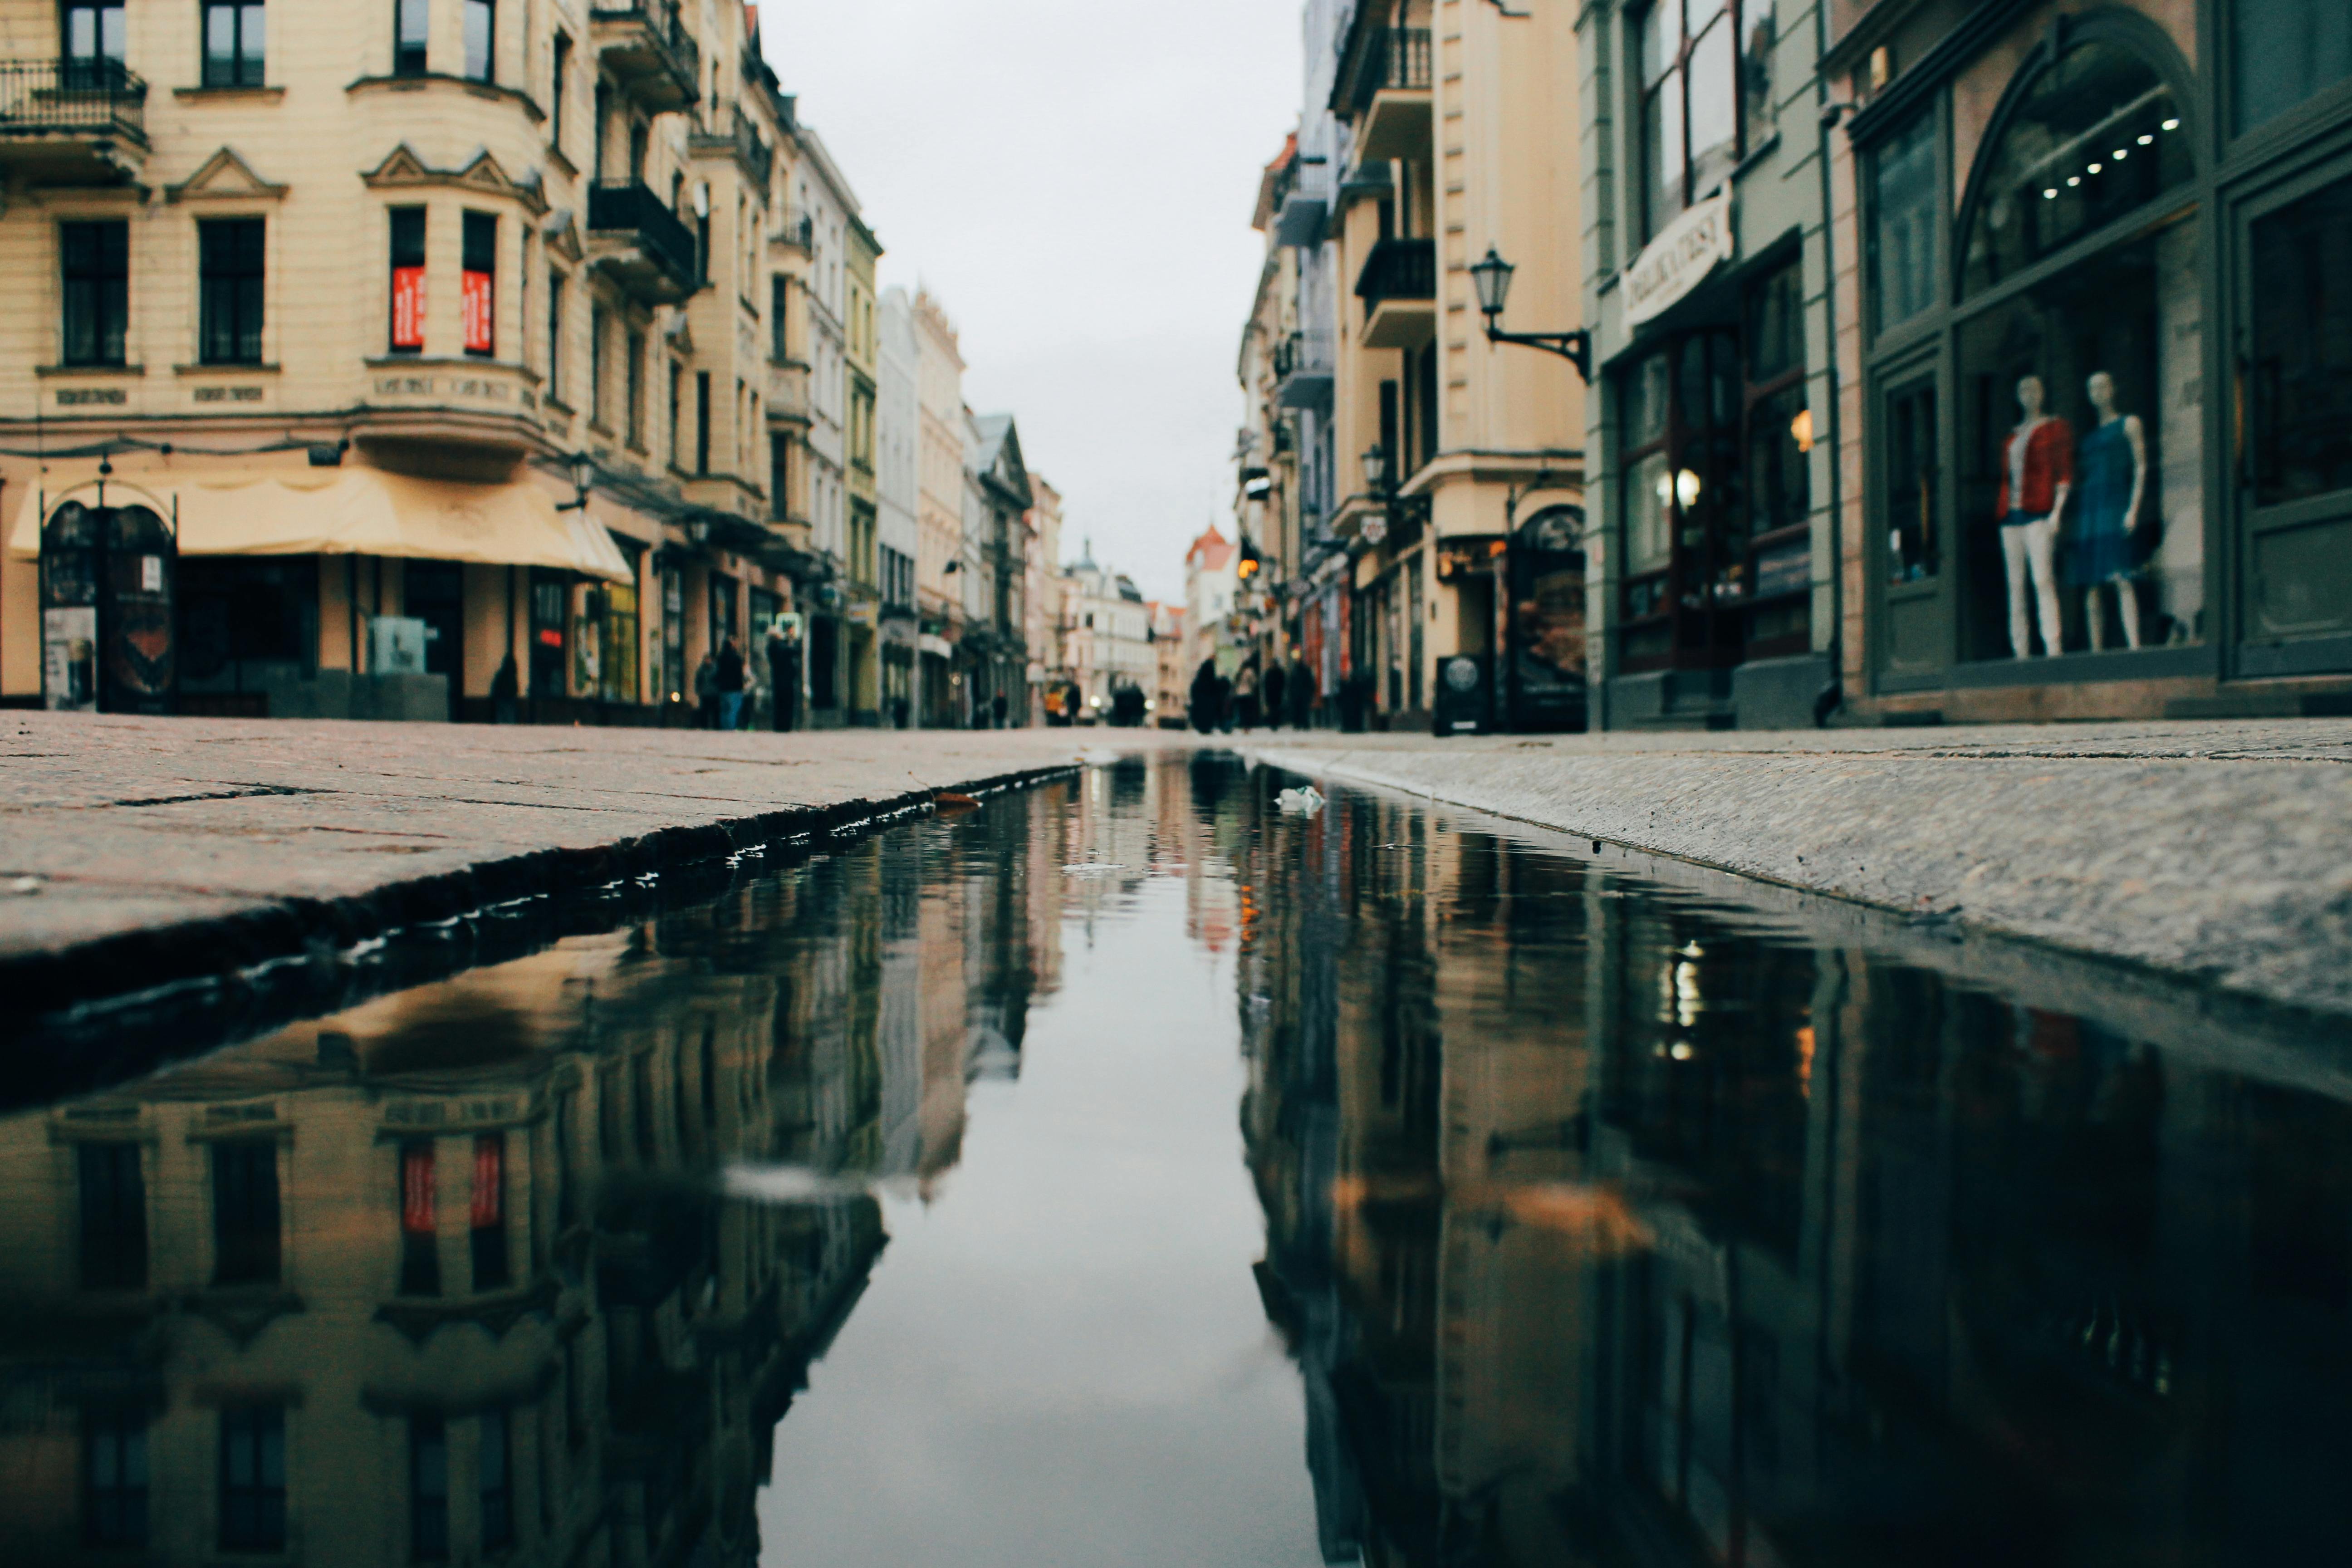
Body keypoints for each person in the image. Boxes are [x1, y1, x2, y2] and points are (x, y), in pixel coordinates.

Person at [766, 624, 797, 732]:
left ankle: (780, 725)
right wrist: (791, 638)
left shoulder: (772, 647)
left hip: (778, 679)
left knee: (780, 704)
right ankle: (785, 726)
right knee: (786, 704)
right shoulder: (777, 647)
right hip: (785, 680)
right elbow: (792, 651)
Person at [715, 636, 747, 731]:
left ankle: (725, 728)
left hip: (723, 688)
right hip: (734, 688)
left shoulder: (721, 658)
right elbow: (738, 674)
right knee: (733, 710)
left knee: (725, 710)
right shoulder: (736, 658)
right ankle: (730, 728)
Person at [1190, 659, 1221, 735]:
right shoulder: (1212, 682)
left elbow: (1193, 693)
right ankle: (1207, 728)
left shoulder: (1198, 681)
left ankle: (1203, 728)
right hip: (1209, 708)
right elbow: (1217, 693)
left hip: (1200, 707)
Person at [693, 651, 720, 730]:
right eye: (706, 659)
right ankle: (705, 726)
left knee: (715, 712)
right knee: (705, 711)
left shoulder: (716, 669)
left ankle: (716, 727)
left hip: (715, 694)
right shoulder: (701, 670)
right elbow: (698, 681)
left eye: (709, 659)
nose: (707, 661)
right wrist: (698, 690)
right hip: (705, 694)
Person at [1289, 657, 1317, 729]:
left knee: (1300, 710)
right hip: (1303, 694)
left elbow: (1291, 684)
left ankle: (1300, 724)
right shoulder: (1304, 671)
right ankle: (1303, 724)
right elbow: (1311, 683)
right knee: (1303, 710)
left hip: (1300, 694)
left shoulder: (1295, 672)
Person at [1261, 661, 1287, 732]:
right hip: (1274, 695)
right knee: (1273, 710)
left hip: (1276, 695)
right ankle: (1274, 724)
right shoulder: (1271, 673)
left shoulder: (1272, 673)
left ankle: (1275, 724)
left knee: (1275, 710)